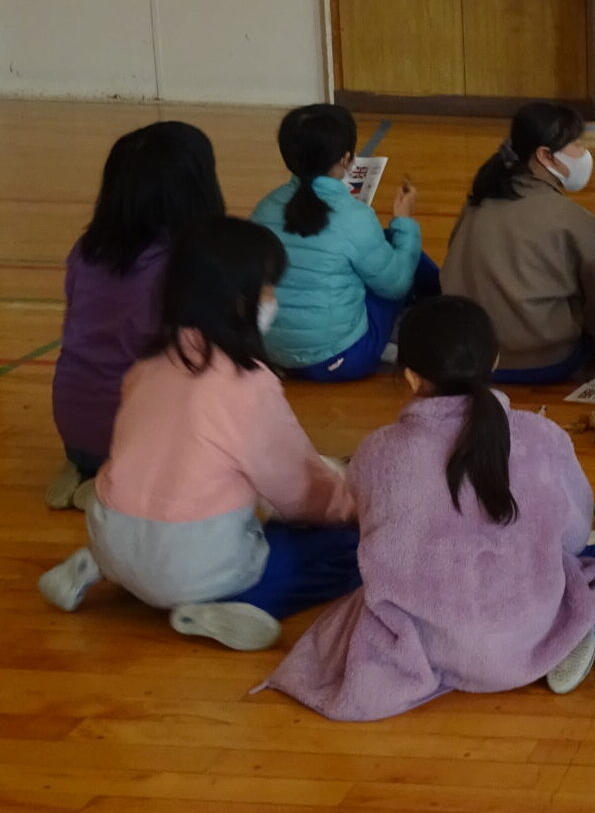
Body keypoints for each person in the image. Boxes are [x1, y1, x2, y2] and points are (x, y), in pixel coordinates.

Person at [263, 297, 595, 719]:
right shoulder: (542, 435)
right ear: (495, 360)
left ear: (410, 377)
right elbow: (574, 536)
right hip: (531, 628)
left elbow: (375, 536)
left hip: (432, 644)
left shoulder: (377, 451)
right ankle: (575, 632)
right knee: (591, 561)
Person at [39, 218, 360, 651]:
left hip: (110, 536)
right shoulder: (247, 385)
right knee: (347, 548)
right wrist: (353, 505)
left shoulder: (147, 367)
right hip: (193, 565)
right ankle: (225, 605)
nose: (273, 298)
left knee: (170, 527)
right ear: (239, 300)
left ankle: (96, 568)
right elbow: (299, 491)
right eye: (268, 287)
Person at [48, 121, 225, 510]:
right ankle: (116, 482)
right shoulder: (186, 265)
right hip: (142, 436)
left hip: (75, 424)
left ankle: (85, 467)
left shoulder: (86, 250)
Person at [442, 102, 595, 384]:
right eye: (577, 144)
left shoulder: (476, 202)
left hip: (474, 356)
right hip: (545, 361)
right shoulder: (572, 219)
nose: (584, 153)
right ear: (545, 155)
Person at [252, 103, 435, 382]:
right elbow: (396, 283)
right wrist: (405, 221)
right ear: (346, 159)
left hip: (271, 352)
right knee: (399, 251)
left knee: (372, 253)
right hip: (341, 359)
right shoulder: (354, 216)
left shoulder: (264, 208)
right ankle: (438, 312)